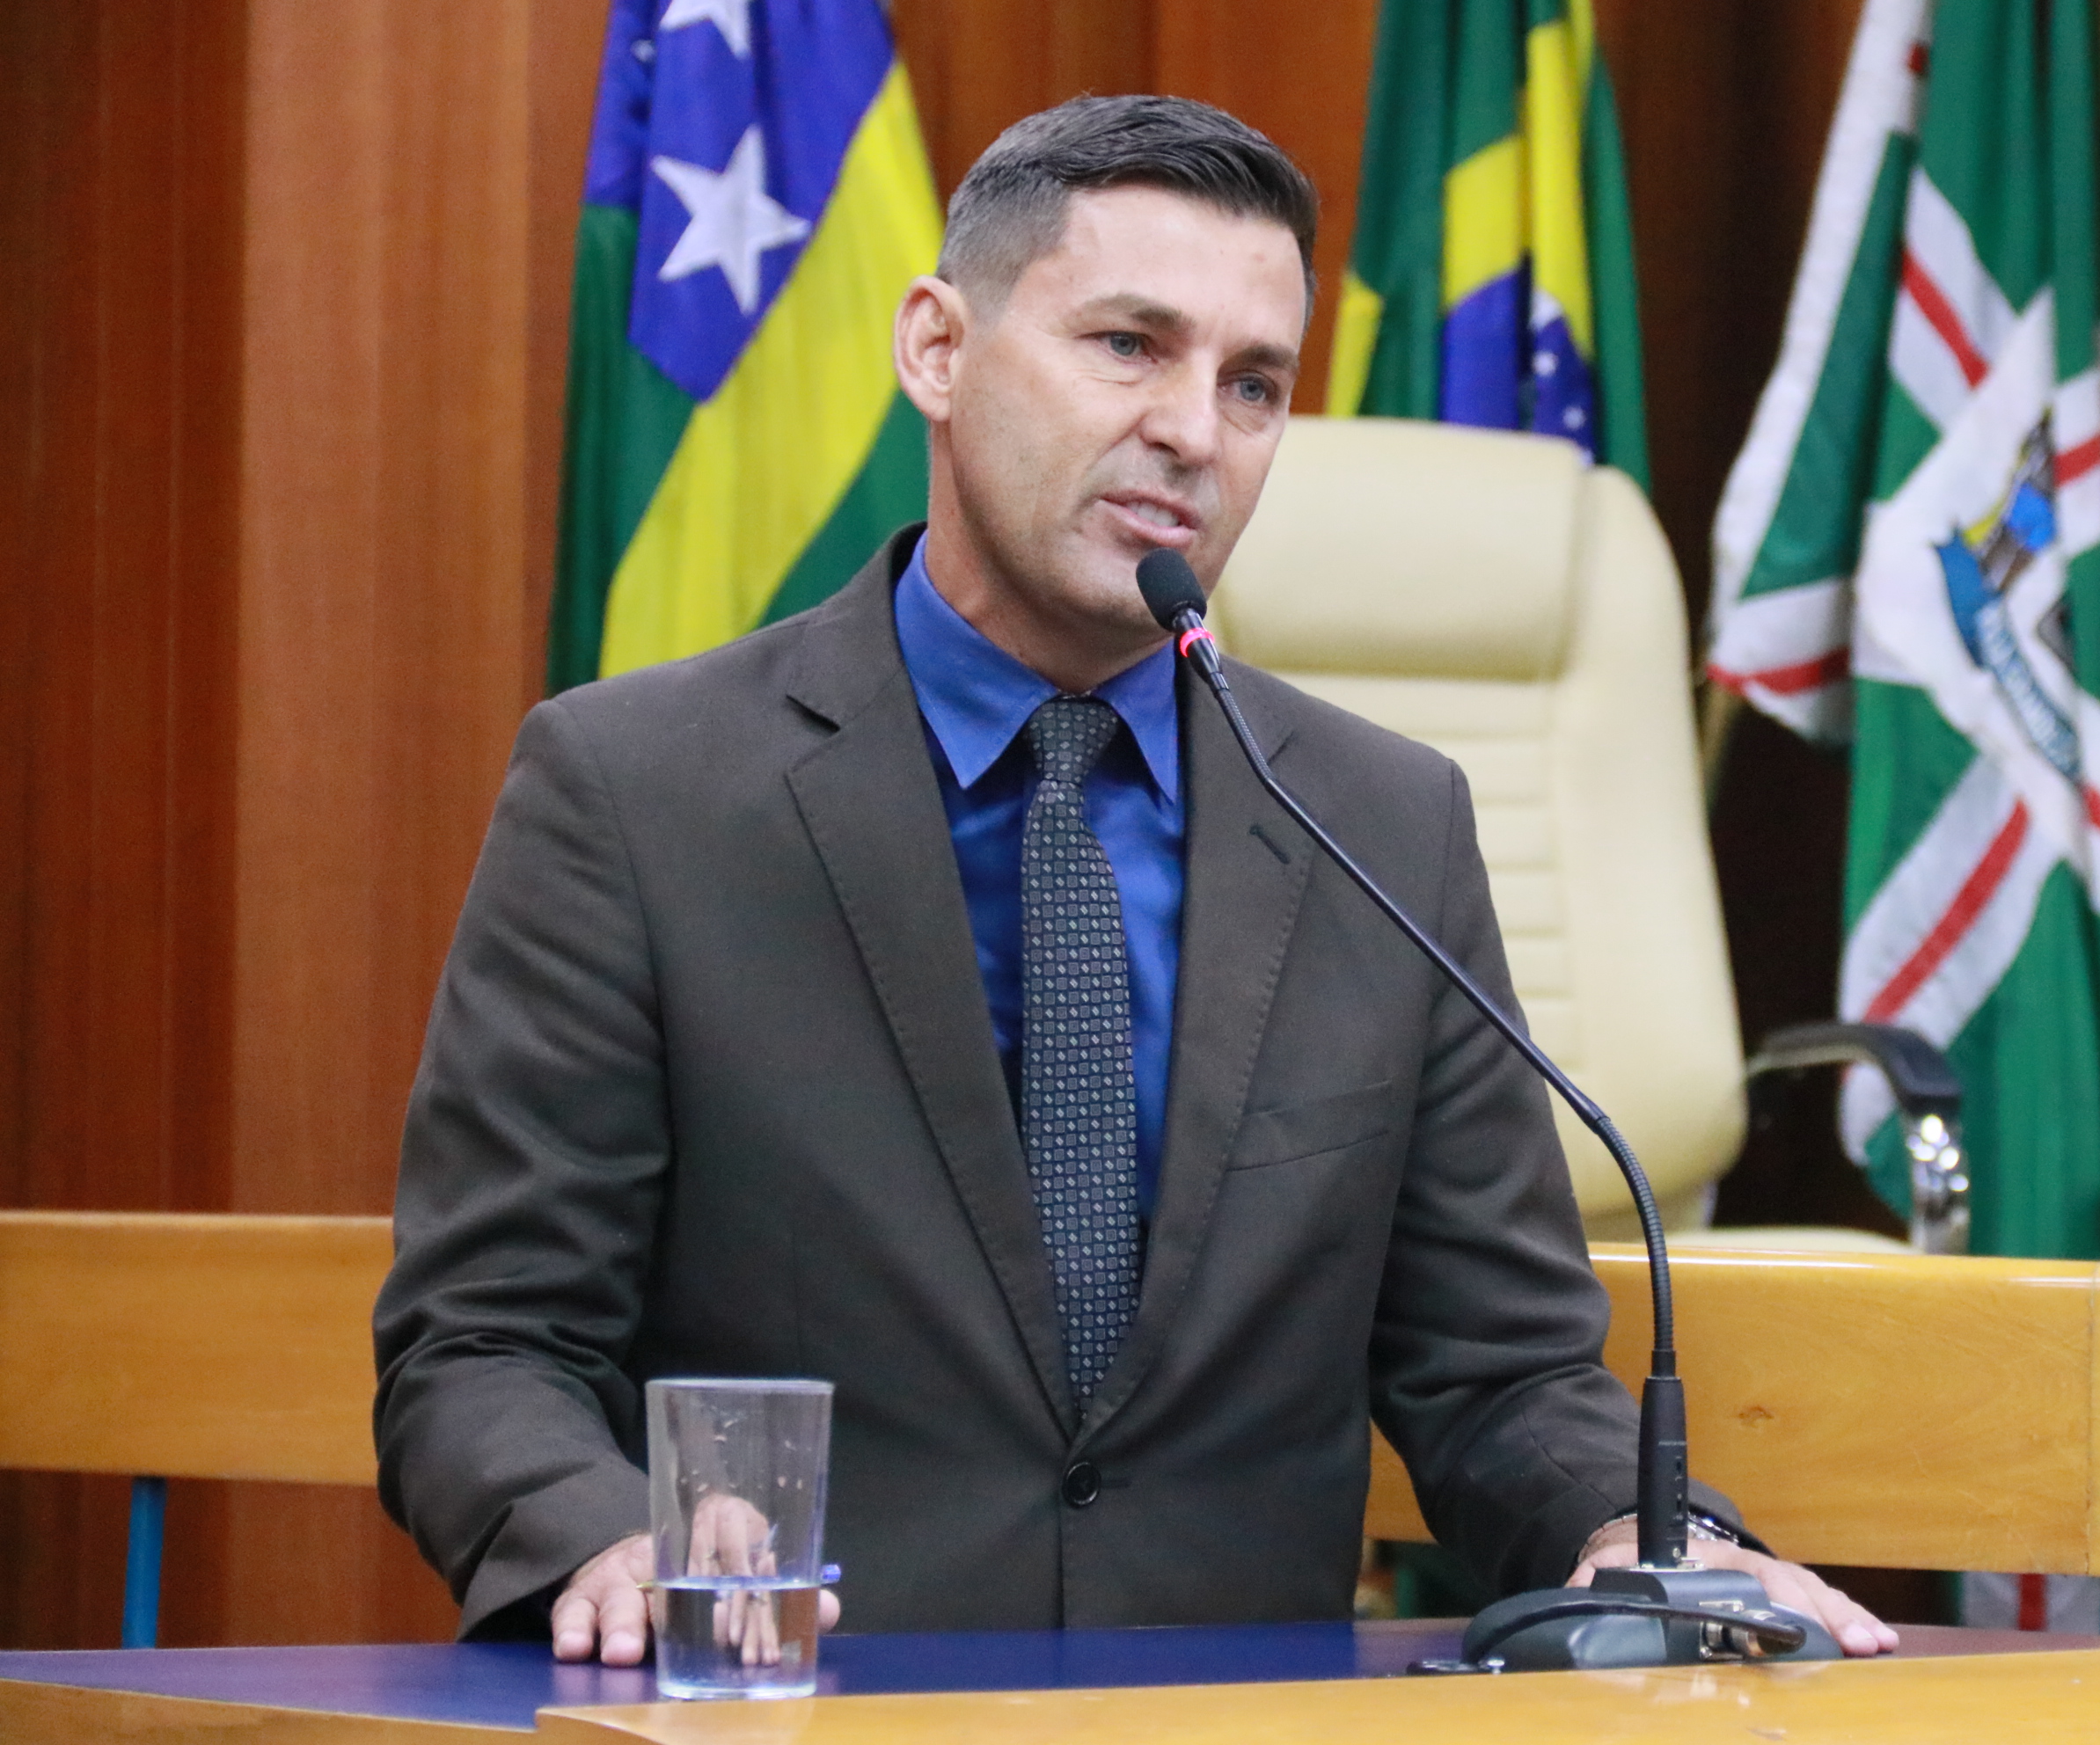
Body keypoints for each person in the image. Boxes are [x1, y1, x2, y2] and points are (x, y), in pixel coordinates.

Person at [372, 93, 1893, 1665]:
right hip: (801, 1698)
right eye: (1127, 346)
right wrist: (601, 1532)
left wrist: (1650, 1540)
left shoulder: (1382, 824)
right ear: (937, 350)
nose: (1194, 432)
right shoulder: (639, 794)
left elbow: (1498, 1371)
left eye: (1254, 384)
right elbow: (484, 1342)